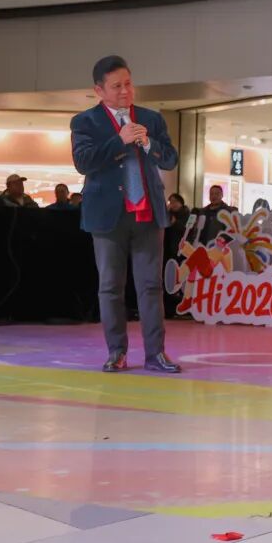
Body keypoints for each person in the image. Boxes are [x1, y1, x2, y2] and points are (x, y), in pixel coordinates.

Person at [71, 55, 181, 374]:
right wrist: (118, 140)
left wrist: (148, 143)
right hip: (107, 216)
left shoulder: (151, 119)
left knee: (151, 286)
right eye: (116, 86)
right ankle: (116, 352)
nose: (125, 91)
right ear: (99, 90)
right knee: (110, 287)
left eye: (129, 84)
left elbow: (170, 159)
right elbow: (84, 163)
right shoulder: (85, 122)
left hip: (148, 213)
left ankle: (156, 354)